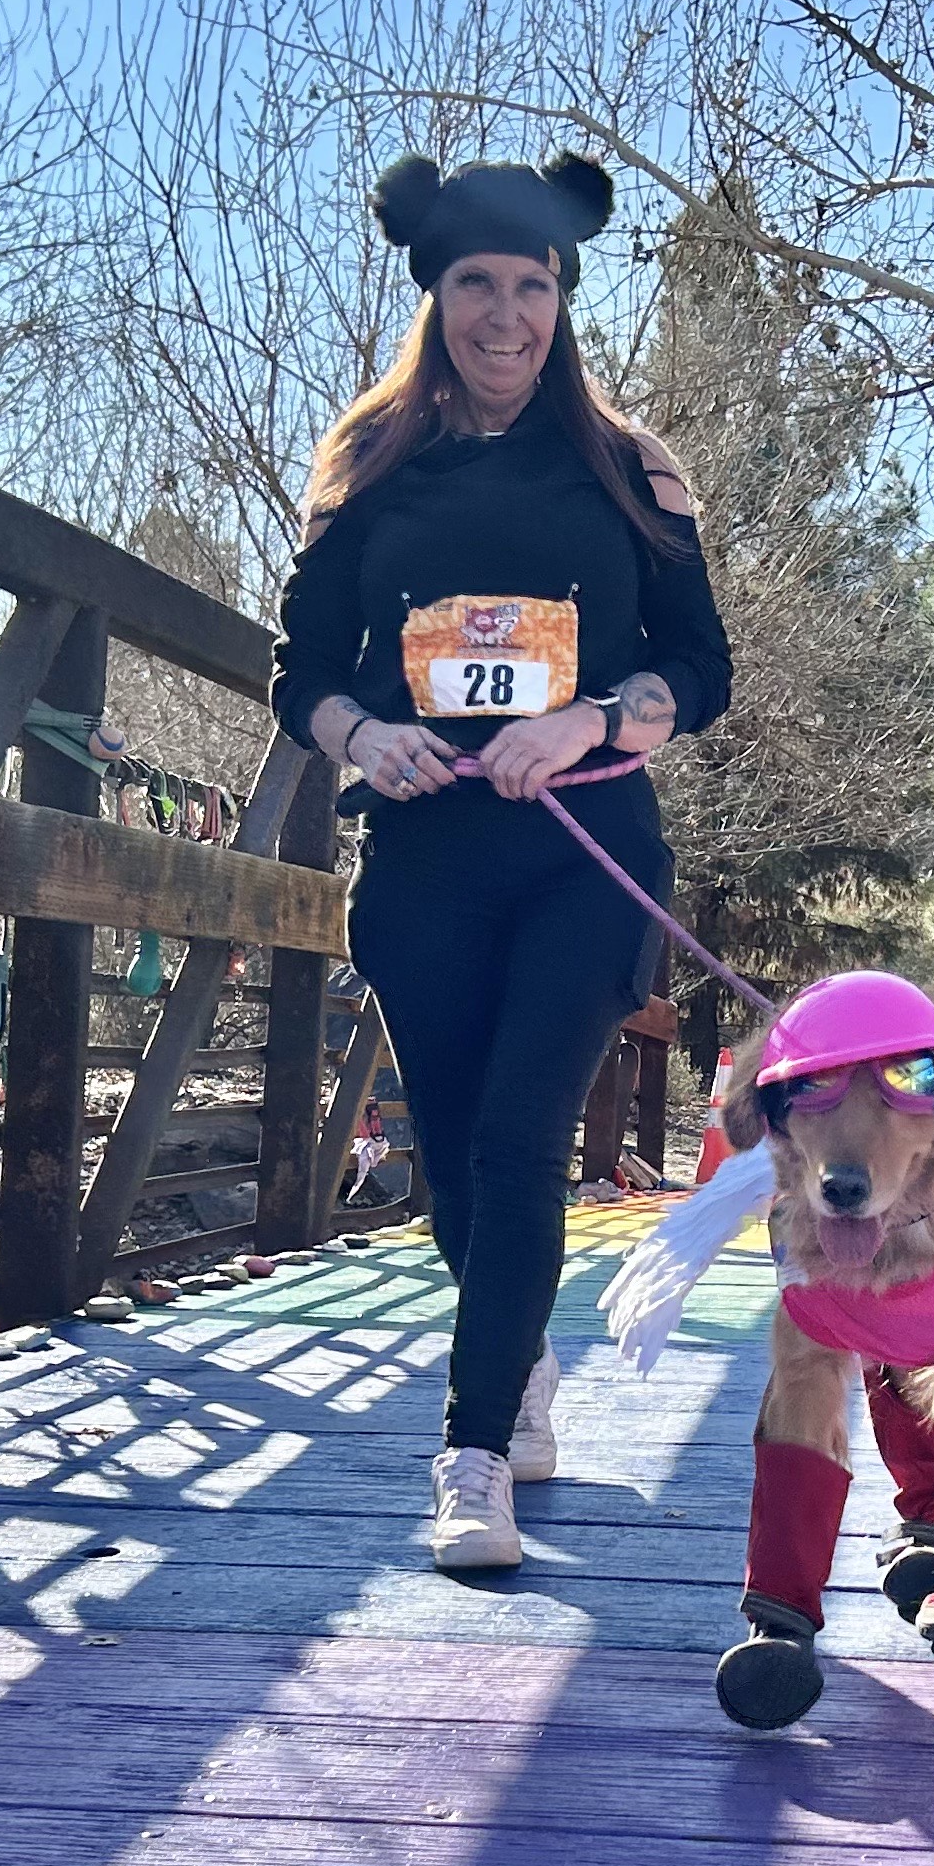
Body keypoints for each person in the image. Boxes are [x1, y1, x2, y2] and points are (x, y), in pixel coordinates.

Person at [270, 152, 734, 1570]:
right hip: (425, 855)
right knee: (459, 1165)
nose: (505, 314)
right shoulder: (369, 464)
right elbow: (302, 666)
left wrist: (597, 717)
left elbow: (699, 668)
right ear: (435, 295)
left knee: (523, 1138)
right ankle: (517, 1361)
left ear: (563, 300)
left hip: (582, 850)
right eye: (478, 282)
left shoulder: (629, 465)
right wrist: (364, 736)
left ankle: (471, 1455)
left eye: (532, 285)